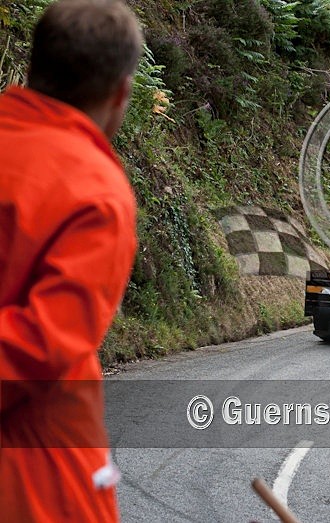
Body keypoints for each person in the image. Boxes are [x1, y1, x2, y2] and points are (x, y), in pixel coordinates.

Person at [0, 1, 142, 521]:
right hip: (35, 467)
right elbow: (42, 345)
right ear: (121, 93)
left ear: (34, 65)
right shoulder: (94, 191)